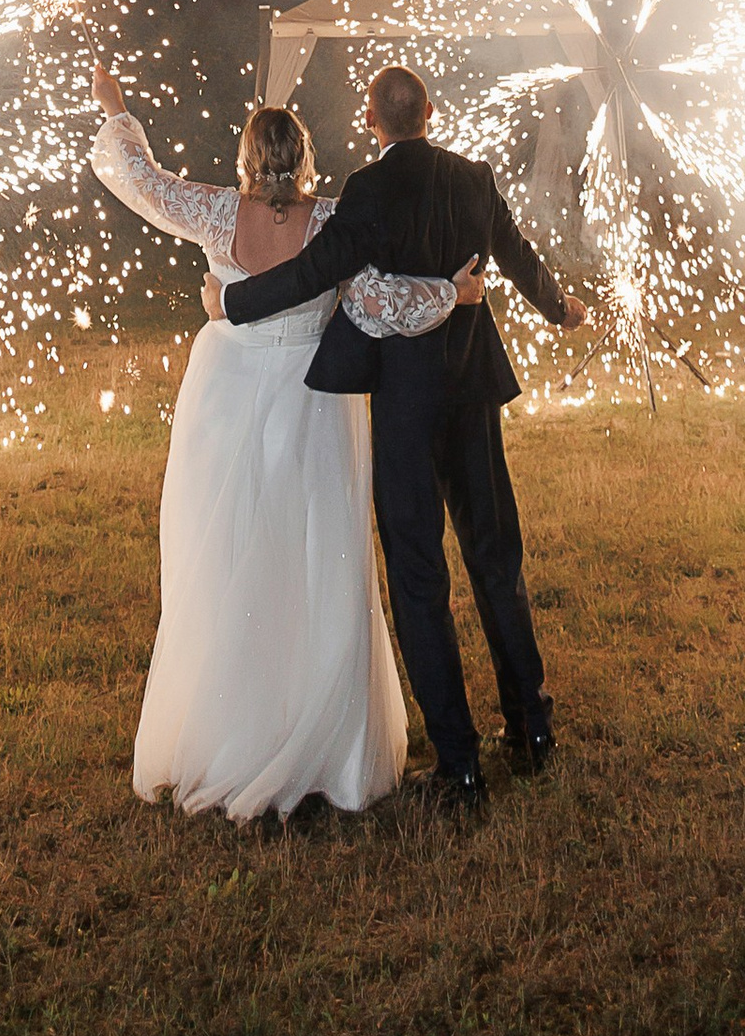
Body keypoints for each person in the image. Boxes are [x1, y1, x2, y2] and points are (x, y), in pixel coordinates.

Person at [86, 61, 487, 824]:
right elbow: (381, 297)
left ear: (245, 160)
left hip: (227, 398)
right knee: (312, 561)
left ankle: (228, 734)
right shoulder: (333, 220)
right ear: (305, 160)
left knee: (229, 558)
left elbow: (138, 178)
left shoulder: (210, 212)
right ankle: (317, 737)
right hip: (310, 401)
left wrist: (116, 106)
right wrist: (453, 293)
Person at [220, 61, 587, 811]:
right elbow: (518, 260)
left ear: (370, 121)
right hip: (471, 393)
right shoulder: (473, 180)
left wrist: (234, 301)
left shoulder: (369, 190)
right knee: (496, 557)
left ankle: (459, 766)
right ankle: (532, 728)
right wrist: (562, 309)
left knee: (421, 581)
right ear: (431, 111)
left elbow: (316, 271)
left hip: (407, 405)